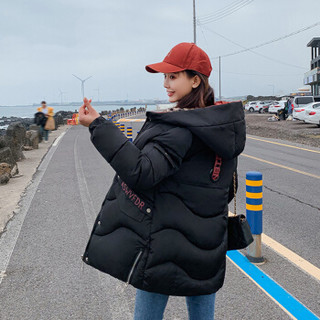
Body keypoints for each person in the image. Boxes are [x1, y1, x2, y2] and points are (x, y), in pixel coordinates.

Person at [79, 42, 246, 320]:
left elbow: (142, 173)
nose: (166, 84)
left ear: (195, 80)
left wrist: (98, 126)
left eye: (173, 76)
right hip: (207, 242)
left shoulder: (178, 128)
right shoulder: (220, 126)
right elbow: (226, 187)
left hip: (165, 242)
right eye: (165, 77)